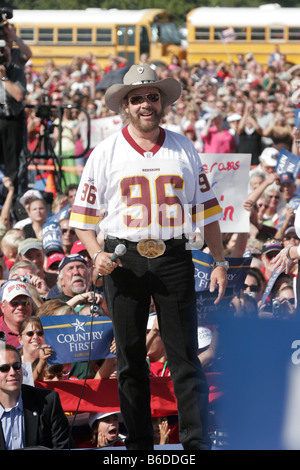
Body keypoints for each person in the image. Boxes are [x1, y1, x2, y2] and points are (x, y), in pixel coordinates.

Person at [69, 63, 228, 451]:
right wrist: (95, 254)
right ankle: (138, 445)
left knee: (185, 356)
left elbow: (207, 212)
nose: (145, 104)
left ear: (163, 102)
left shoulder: (183, 146)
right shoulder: (105, 152)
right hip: (124, 259)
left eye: (152, 97)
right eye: (137, 98)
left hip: (174, 256)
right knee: (130, 360)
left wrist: (220, 261)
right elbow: (82, 219)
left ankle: (195, 443)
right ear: (125, 104)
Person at [0, 344, 74, 449]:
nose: (12, 372)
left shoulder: (48, 402)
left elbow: (63, 446)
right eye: (4, 368)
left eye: (16, 366)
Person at [0, 43, 26, 191]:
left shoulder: (16, 71)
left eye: (4, 53)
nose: (2, 57)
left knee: (12, 165)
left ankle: (11, 196)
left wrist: (4, 78)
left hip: (12, 121)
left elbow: (18, 95)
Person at [0, 280, 34, 347]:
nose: (20, 307)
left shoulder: (42, 331)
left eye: (25, 303)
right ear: (2, 307)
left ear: (32, 306)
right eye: (14, 303)